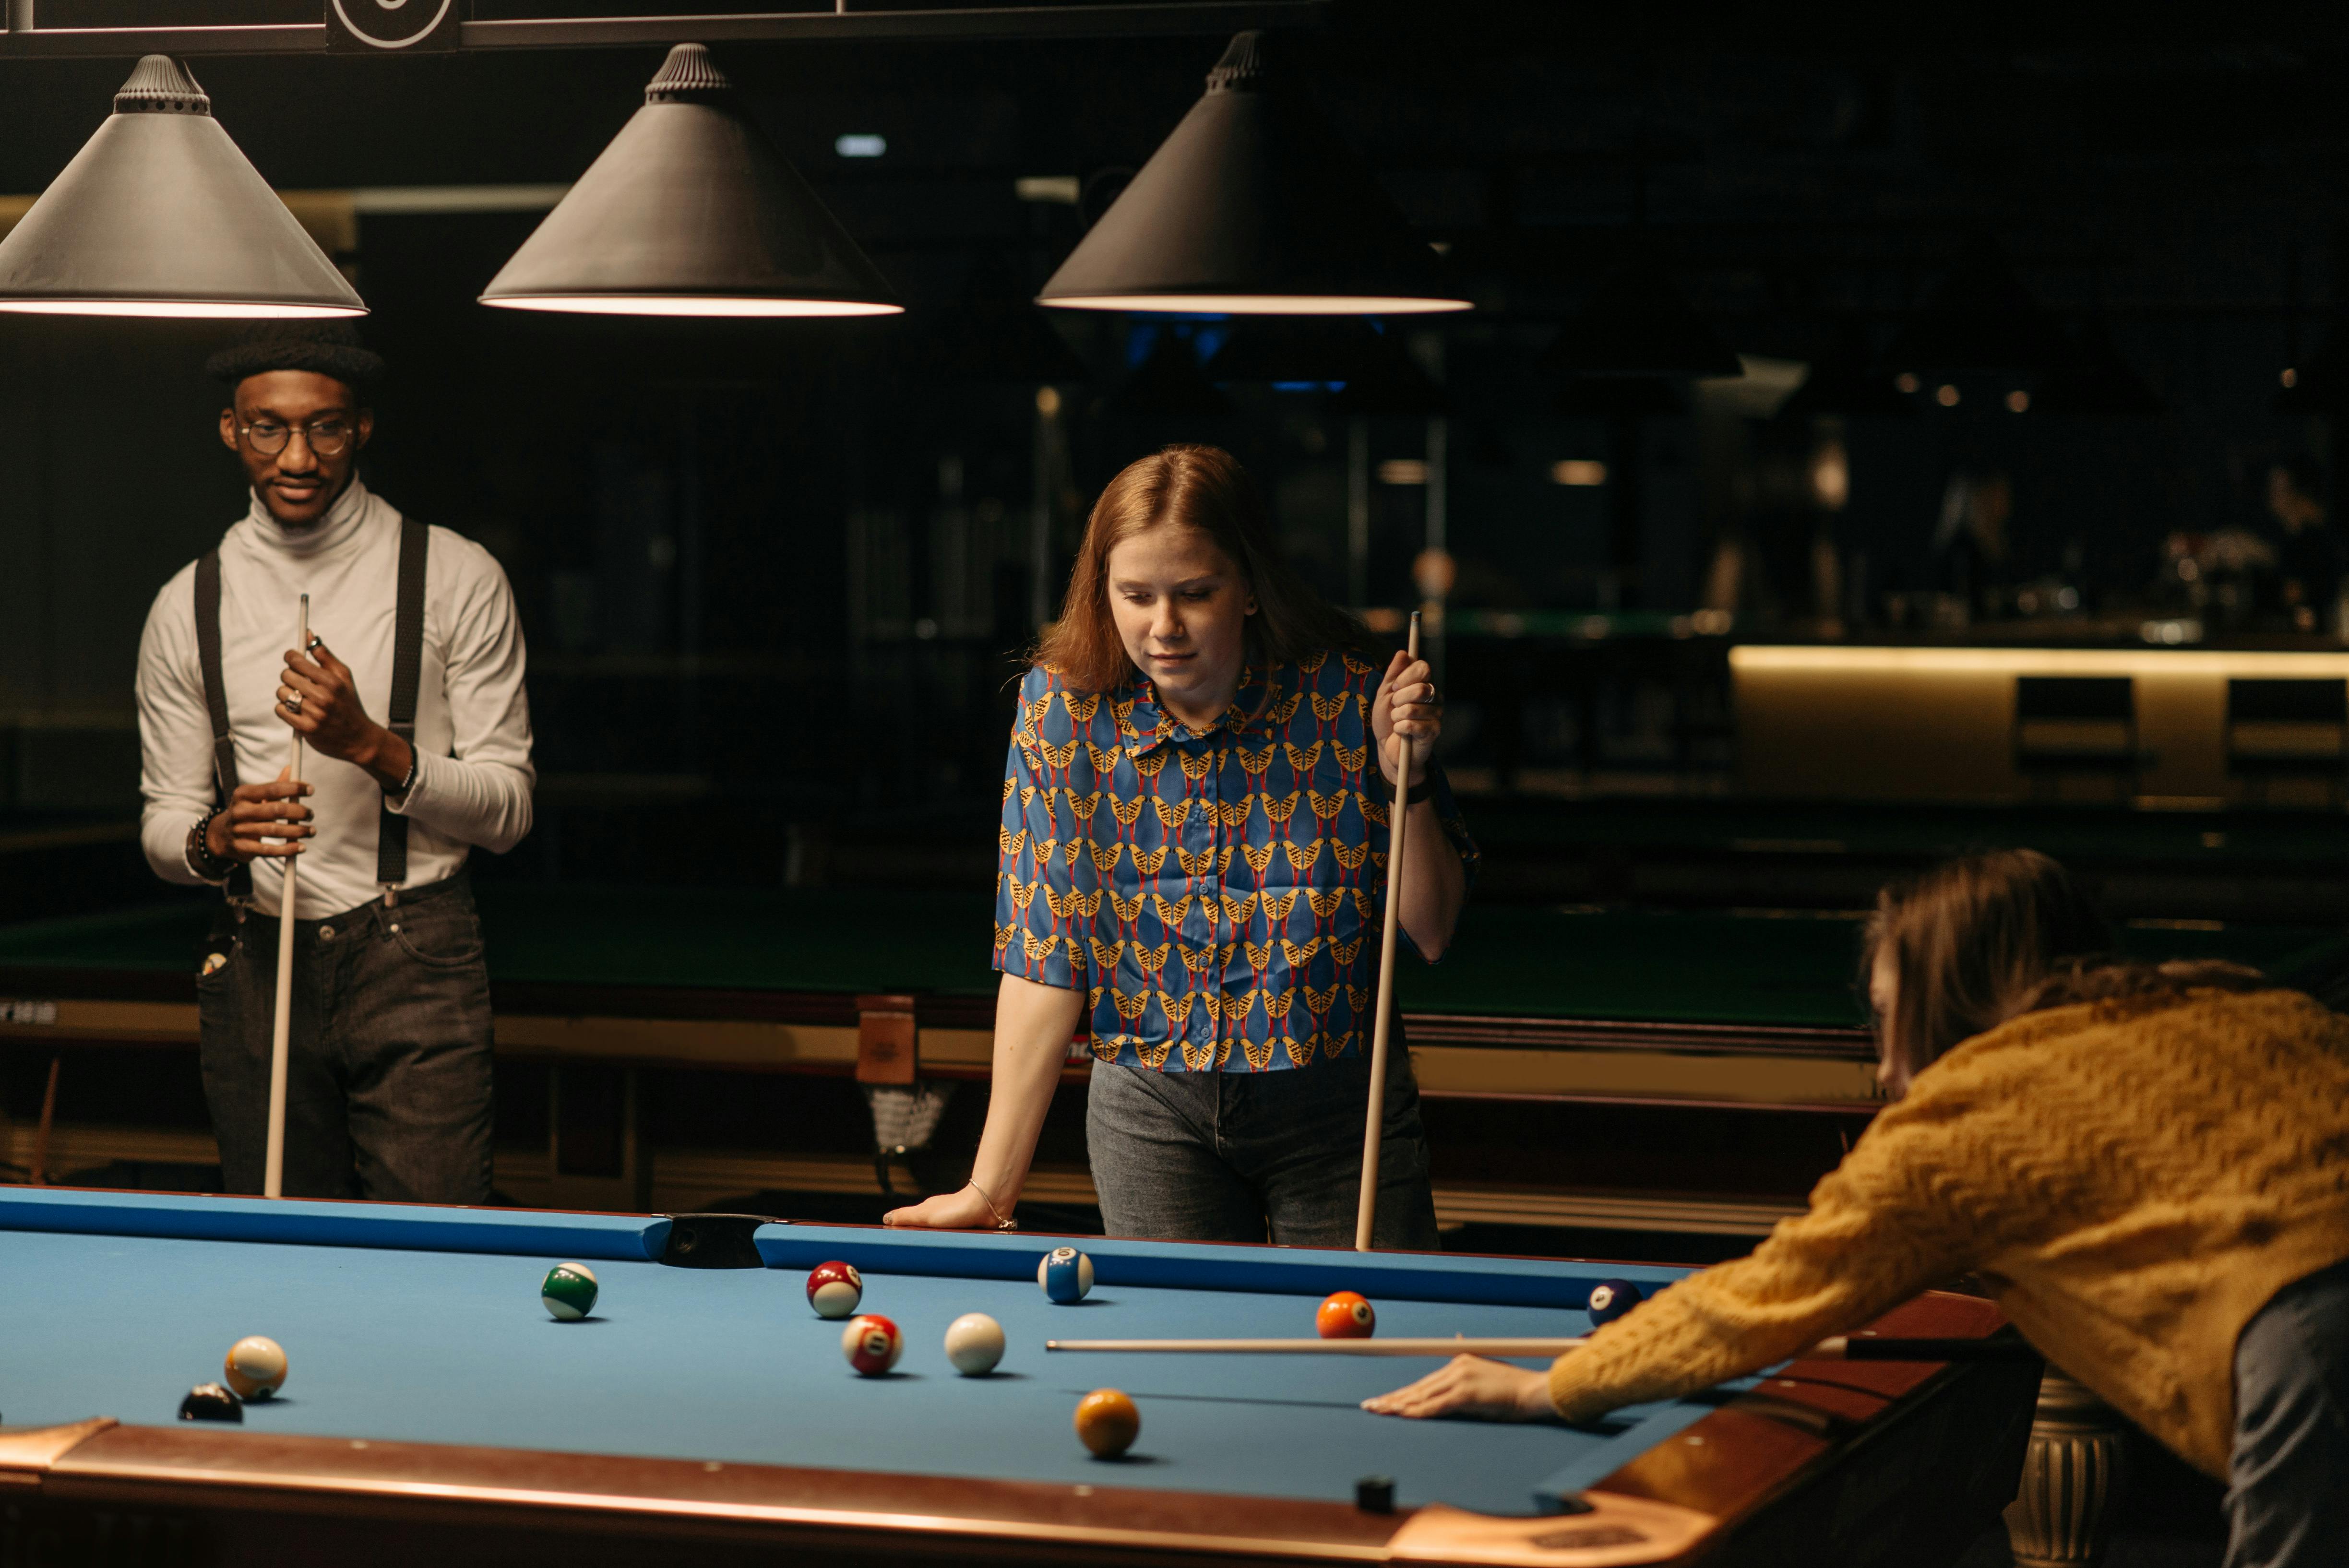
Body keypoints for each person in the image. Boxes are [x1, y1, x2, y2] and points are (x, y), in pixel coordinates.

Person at [1362, 849, 2349, 1568]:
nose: (1881, 1063)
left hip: (2312, 1348)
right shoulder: (2232, 999)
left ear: (1956, 1003)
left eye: (1890, 1017)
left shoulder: (1963, 1122)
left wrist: (1550, 1385)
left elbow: (1764, 1296)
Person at [884, 444, 1476, 1246]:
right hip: (1149, 1108)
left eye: (1196, 593)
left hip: (1336, 1107)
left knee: (1359, 1360)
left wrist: (1400, 778)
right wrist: (992, 1186)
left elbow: (1432, 932)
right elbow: (1046, 954)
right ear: (1104, 592)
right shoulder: (1062, 711)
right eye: (1136, 595)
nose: (1162, 627)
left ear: (1252, 589)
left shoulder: (1350, 695)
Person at [135, 323, 536, 1203]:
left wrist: (374, 748)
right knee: (276, 1251)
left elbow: (509, 813)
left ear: (361, 431)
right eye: (269, 427)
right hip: (255, 958)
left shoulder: (456, 576)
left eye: (325, 427)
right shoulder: (186, 603)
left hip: (416, 951)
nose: (299, 455)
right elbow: (164, 827)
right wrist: (217, 836)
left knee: (440, 1252)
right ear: (231, 432)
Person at [2261, 455, 2343, 633]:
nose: (2272, 495)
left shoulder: (2320, 540)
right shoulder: (2285, 538)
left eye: (2280, 489)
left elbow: (2322, 593)